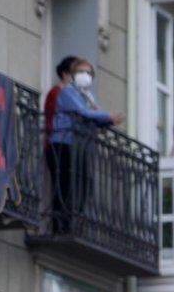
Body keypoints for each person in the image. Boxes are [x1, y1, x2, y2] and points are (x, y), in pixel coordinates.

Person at [50, 59, 125, 232]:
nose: (86, 76)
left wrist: (107, 120)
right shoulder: (68, 92)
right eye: (82, 72)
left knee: (83, 184)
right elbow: (83, 113)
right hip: (64, 142)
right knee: (65, 183)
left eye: (89, 73)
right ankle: (61, 225)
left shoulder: (89, 96)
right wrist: (108, 117)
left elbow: (94, 115)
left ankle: (75, 221)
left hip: (80, 146)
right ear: (73, 74)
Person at [44, 55, 77, 157]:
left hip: (69, 143)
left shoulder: (74, 94)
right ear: (65, 74)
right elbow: (51, 118)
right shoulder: (56, 92)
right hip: (59, 143)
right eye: (74, 75)